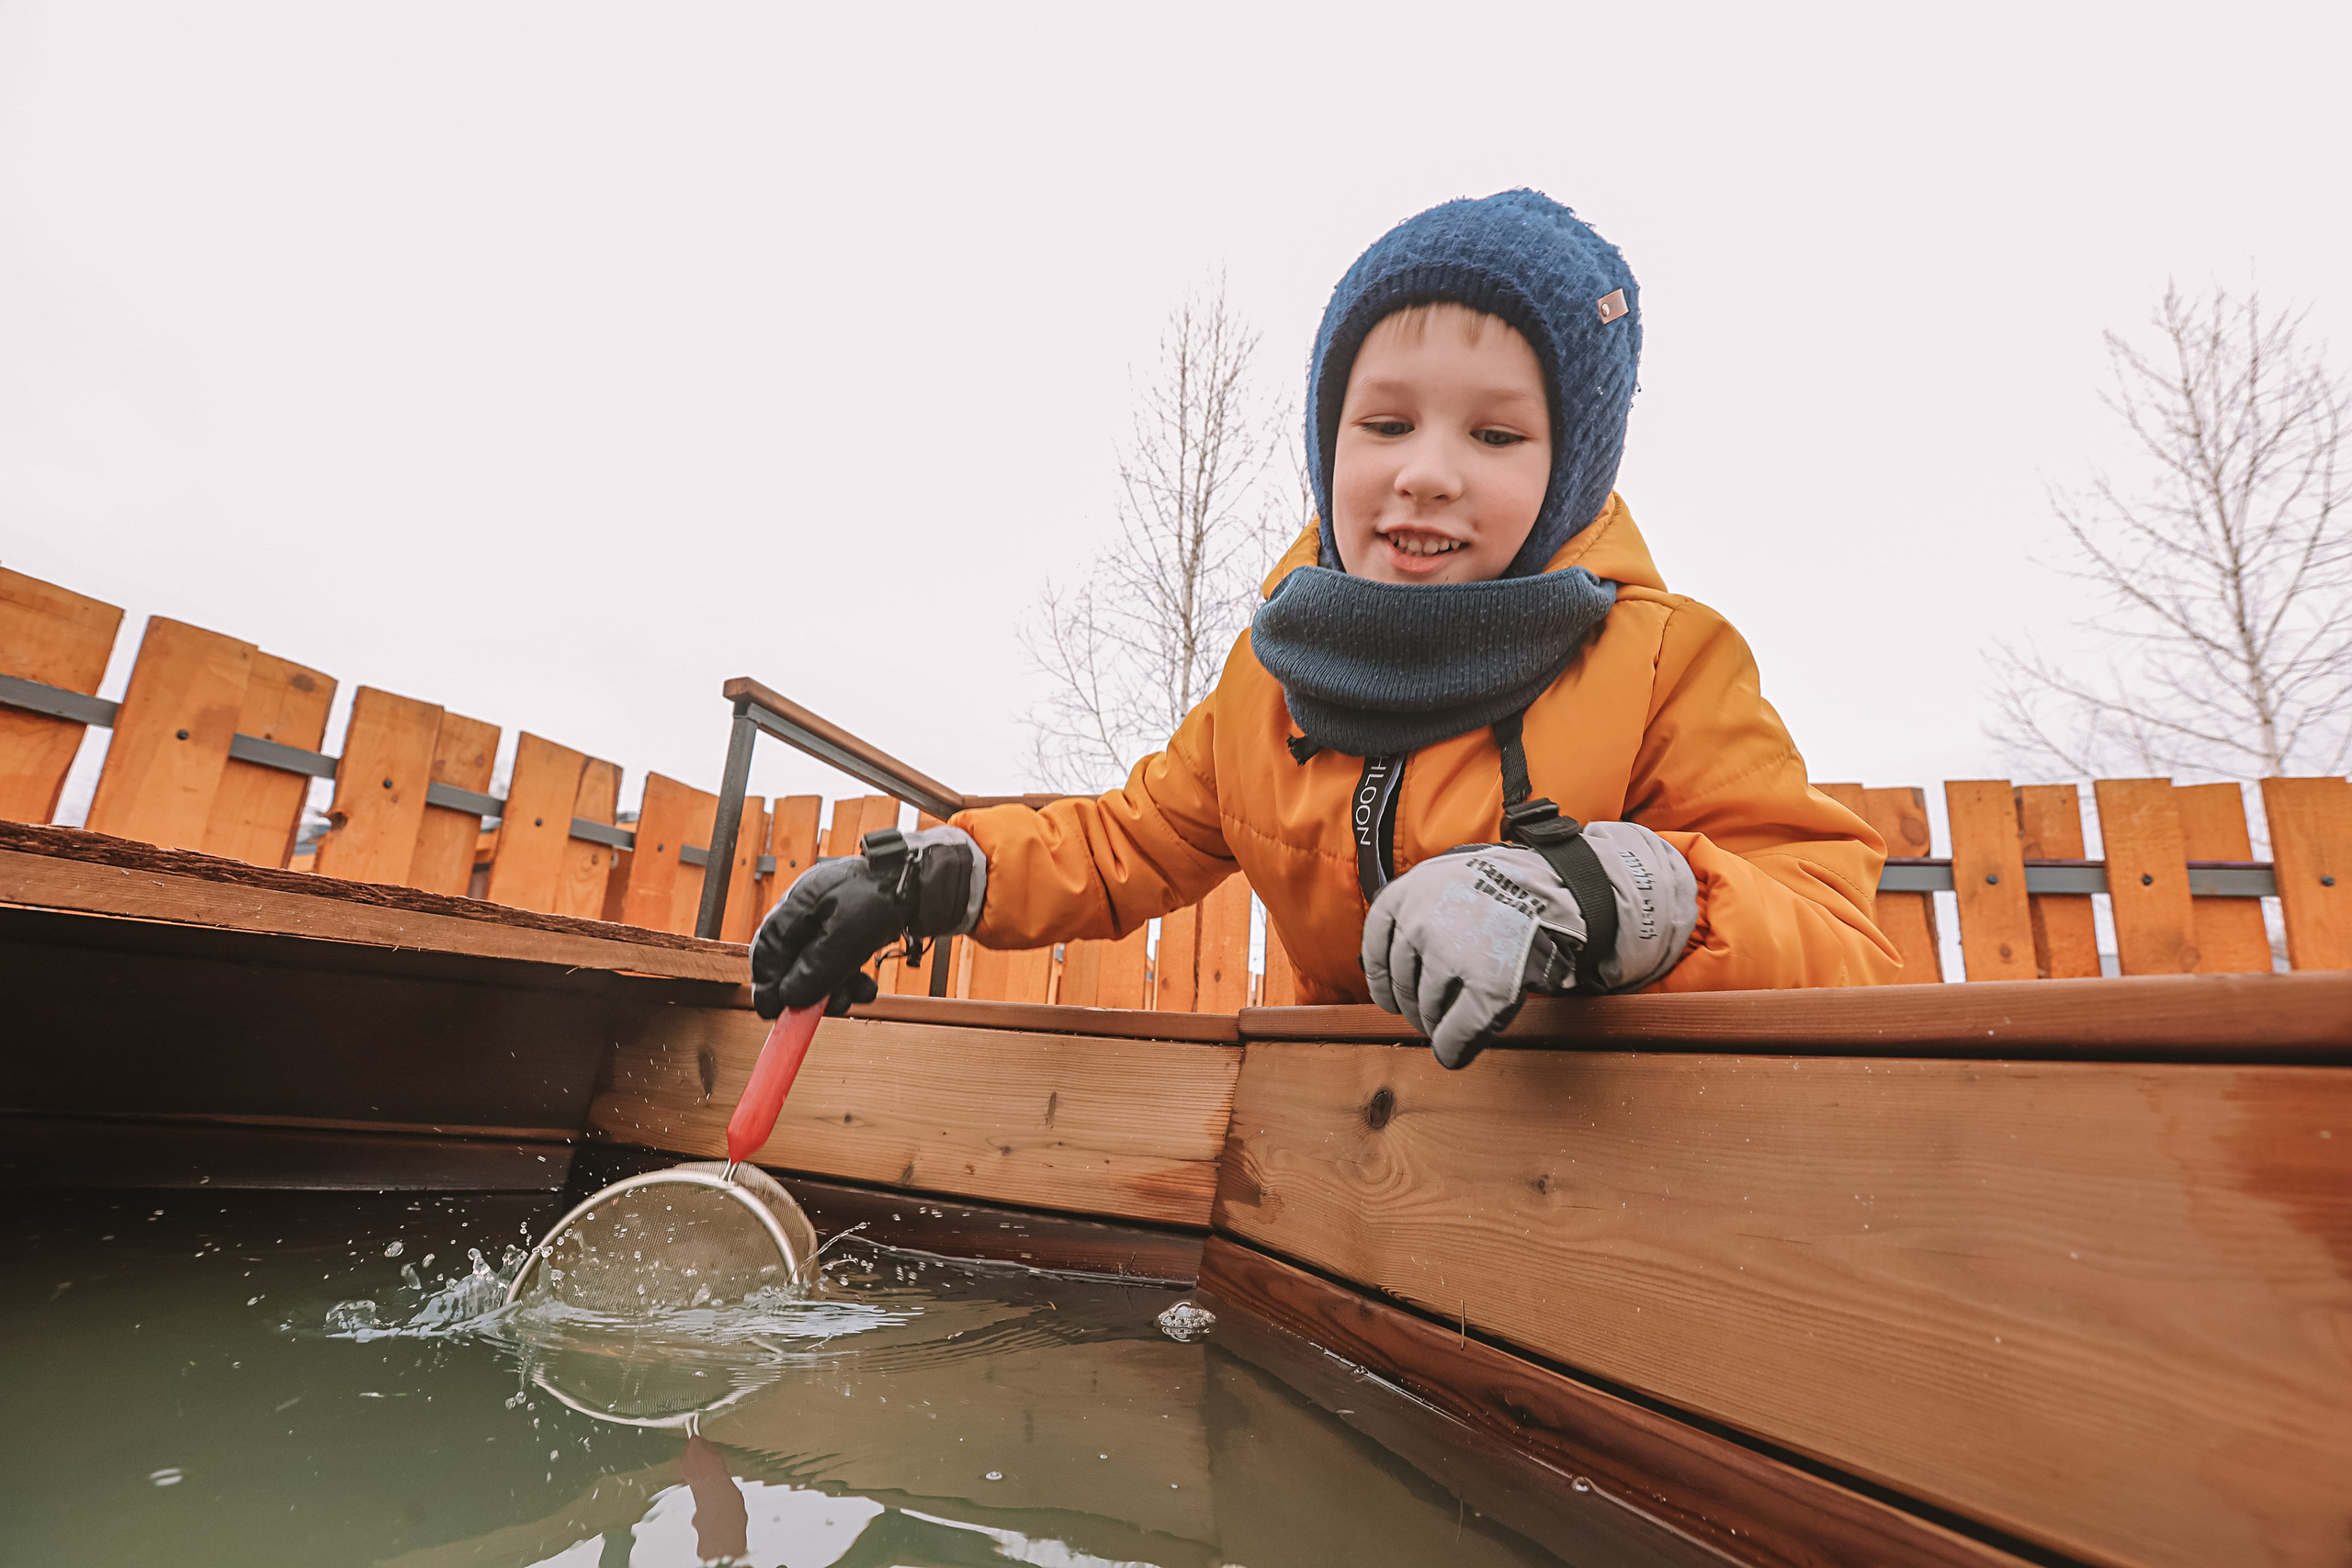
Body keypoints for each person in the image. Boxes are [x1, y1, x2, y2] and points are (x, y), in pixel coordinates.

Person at [754, 189, 1901, 1068]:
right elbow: (1124, 843)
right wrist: (938, 878)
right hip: (1349, 1142)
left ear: (1570, 472)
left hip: (1590, 1185)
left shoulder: (1663, 666)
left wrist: (1606, 893)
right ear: (1327, 441)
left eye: (1496, 437)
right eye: (1386, 423)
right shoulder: (1272, 676)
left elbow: (1843, 954)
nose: (1427, 474)